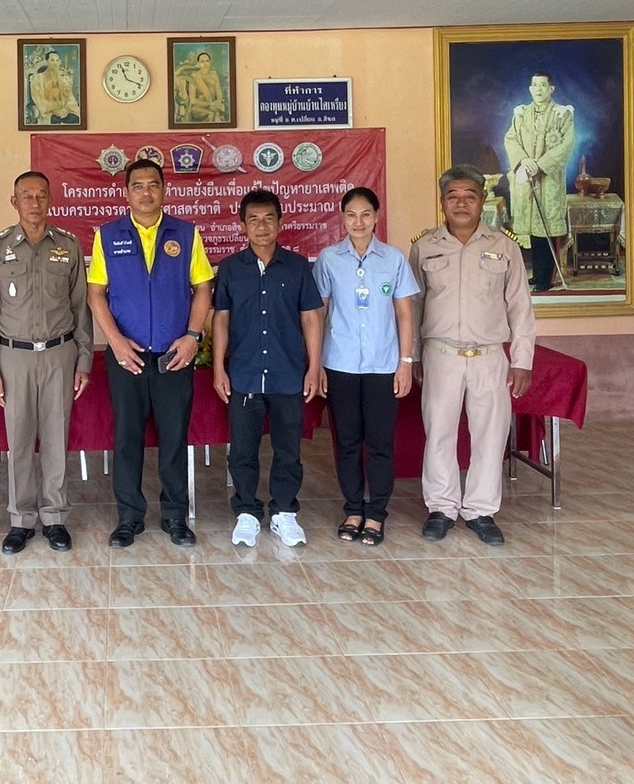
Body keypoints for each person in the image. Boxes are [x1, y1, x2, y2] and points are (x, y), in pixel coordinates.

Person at [87, 158, 214, 547]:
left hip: (175, 355)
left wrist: (192, 336)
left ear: (164, 190)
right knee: (127, 438)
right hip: (127, 356)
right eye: (138, 186)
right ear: (126, 192)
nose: (146, 192)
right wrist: (115, 341)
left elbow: (203, 288)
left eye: (153, 185)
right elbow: (96, 294)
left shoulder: (186, 234)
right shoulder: (108, 235)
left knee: (174, 437)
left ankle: (175, 516)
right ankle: (129, 517)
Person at [409, 165, 536, 546]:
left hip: (489, 356)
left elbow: (520, 307)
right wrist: (412, 356)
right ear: (442, 202)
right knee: (439, 433)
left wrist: (522, 360)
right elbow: (413, 306)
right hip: (441, 354)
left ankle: (481, 510)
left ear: (482, 201)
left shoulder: (504, 246)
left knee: (490, 435)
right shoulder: (424, 246)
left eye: (469, 196)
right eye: (453, 197)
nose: (461, 204)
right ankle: (441, 507)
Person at [0, 171, 93, 554]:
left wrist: (84, 360)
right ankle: (21, 519)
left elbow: (81, 307)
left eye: (41, 195)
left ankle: (54, 516)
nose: (34, 202)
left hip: (60, 353)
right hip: (14, 356)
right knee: (20, 439)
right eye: (26, 196)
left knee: (56, 437)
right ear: (14, 202)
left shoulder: (68, 246)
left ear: (50, 200)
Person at [211, 189, 323, 547]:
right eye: (254, 220)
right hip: (244, 373)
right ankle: (246, 511)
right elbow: (221, 319)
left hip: (288, 373)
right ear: (242, 226)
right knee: (243, 449)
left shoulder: (297, 266)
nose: (261, 227)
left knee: (288, 449)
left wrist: (314, 367)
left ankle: (284, 512)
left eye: (268, 219)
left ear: (280, 223)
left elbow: (311, 318)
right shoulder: (231, 268)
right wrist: (218, 368)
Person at [314, 186, 419, 546]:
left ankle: (376, 513)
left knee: (379, 442)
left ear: (376, 217)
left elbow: (404, 314)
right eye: (351, 215)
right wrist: (317, 363)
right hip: (339, 364)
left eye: (365, 214)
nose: (358, 222)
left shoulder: (394, 259)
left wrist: (405, 363)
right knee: (346, 441)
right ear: (342, 218)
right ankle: (353, 509)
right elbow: (319, 313)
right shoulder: (328, 259)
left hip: (382, 365)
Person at [503, 71, 575, 292]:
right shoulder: (521, 114)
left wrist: (541, 164)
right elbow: (511, 139)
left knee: (547, 228)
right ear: (530, 89)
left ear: (551, 88)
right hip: (527, 177)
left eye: (543, 85)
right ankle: (537, 274)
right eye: (534, 85)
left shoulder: (562, 114)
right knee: (534, 230)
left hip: (548, 179)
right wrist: (524, 161)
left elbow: (567, 144)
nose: (538, 89)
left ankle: (547, 278)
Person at [27, 50, 81, 125]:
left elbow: (69, 97)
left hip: (63, 112)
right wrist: (56, 107)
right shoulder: (37, 79)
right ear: (47, 62)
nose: (55, 63)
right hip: (48, 113)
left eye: (57, 60)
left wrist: (71, 108)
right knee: (55, 121)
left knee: (76, 119)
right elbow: (39, 100)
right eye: (52, 60)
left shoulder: (63, 80)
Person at [175, 51, 226, 123]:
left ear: (210, 62)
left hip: (214, 106)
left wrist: (217, 103)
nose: (205, 64)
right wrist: (210, 104)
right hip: (198, 109)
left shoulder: (214, 74)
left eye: (207, 61)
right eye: (202, 62)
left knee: (216, 114)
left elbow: (219, 93)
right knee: (211, 114)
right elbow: (193, 100)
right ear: (198, 63)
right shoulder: (194, 77)